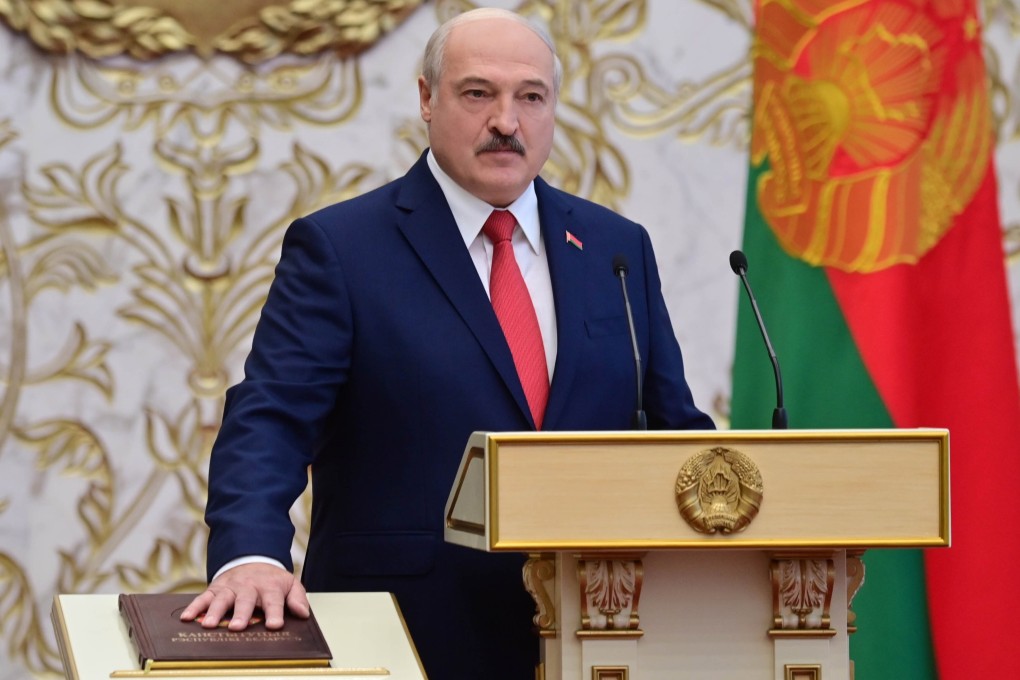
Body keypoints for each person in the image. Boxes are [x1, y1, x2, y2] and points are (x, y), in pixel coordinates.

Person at [182, 7, 715, 679]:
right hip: (408, 632)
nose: (506, 121)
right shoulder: (343, 249)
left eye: (530, 97)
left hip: (602, 635)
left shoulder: (615, 247)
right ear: (427, 100)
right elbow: (272, 418)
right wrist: (251, 553)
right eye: (477, 94)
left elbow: (673, 431)